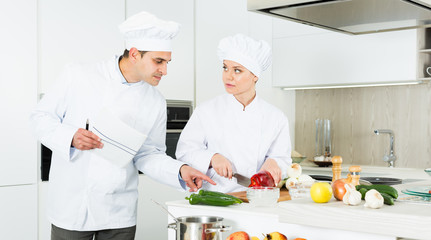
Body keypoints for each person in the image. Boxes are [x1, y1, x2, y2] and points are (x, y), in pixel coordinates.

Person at [29, 11, 215, 240]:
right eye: (158, 61)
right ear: (135, 54)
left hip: (119, 210)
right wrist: (70, 136)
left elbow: (148, 155)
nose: (165, 70)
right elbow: (39, 117)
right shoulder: (78, 75)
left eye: (167, 62)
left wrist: (180, 170)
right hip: (73, 206)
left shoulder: (155, 100)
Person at [176, 33, 292, 193]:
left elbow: (283, 159)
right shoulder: (207, 111)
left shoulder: (275, 117)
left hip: (257, 198)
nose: (228, 76)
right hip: (214, 198)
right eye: (225, 68)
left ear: (255, 76)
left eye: (237, 70)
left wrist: (274, 162)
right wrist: (212, 158)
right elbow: (184, 152)